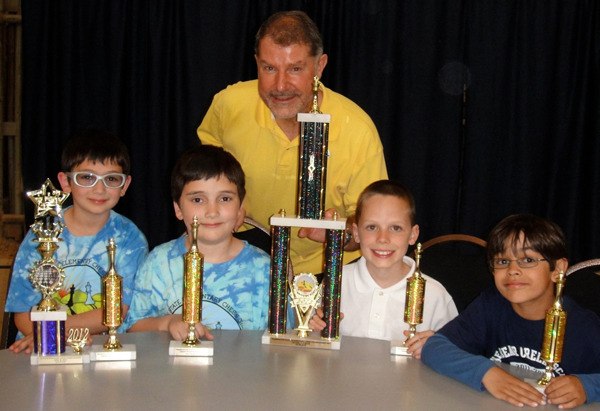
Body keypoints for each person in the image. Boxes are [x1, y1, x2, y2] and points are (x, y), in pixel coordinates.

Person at [197, 10, 388, 275]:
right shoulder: (228, 105)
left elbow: (375, 224)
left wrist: (339, 235)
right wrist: (226, 202)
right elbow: (204, 171)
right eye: (269, 68)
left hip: (328, 270)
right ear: (256, 63)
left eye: (295, 69)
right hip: (244, 258)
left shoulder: (357, 130)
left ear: (319, 66)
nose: (281, 85)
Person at [421, 214, 600, 408]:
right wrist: (486, 373)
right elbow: (435, 347)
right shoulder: (490, 306)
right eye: (503, 261)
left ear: (558, 268)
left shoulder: (584, 326)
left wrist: (588, 387)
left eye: (528, 259)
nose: (513, 270)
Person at [5, 129, 148, 353]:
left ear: (125, 185)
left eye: (111, 178)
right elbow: (22, 313)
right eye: (87, 177)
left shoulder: (130, 239)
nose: (99, 189)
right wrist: (51, 336)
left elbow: (118, 311)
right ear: (65, 182)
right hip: (41, 346)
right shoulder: (41, 234)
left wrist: (56, 329)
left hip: (103, 350)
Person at [123, 145, 271, 340]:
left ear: (240, 208)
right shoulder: (159, 263)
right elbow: (132, 327)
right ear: (178, 208)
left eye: (225, 198)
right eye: (198, 200)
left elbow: (281, 338)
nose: (212, 211)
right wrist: (167, 322)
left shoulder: (264, 268)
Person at [309, 180, 458, 358]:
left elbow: (456, 355)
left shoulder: (435, 295)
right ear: (356, 233)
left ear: (413, 234)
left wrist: (438, 346)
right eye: (372, 227)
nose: (383, 238)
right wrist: (315, 327)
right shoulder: (334, 283)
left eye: (395, 228)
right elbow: (311, 345)